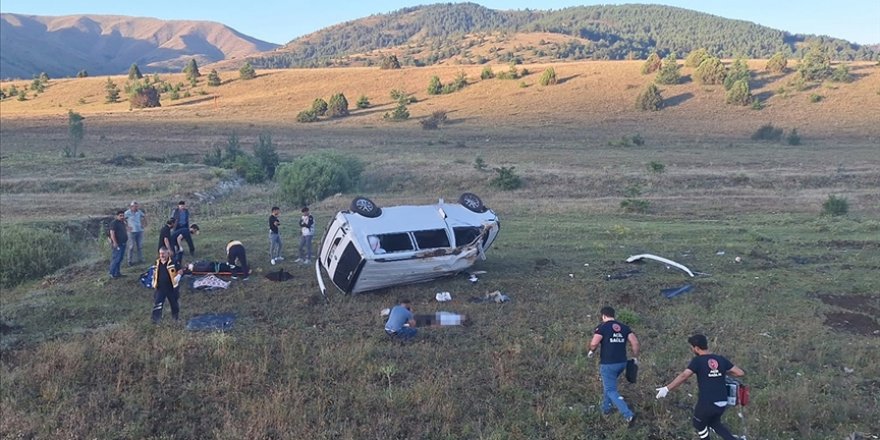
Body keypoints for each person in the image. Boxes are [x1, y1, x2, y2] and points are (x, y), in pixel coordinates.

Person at [655, 334, 746, 440]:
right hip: (722, 401)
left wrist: (667, 388)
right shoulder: (720, 359)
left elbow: (684, 375)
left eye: (692, 348)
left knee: (698, 423)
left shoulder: (697, 361)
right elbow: (740, 373)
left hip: (707, 402)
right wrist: (722, 372)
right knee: (714, 423)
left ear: (697, 348)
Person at [588, 306, 640, 427]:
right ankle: (605, 409)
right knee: (609, 385)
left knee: (611, 390)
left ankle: (628, 415)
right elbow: (635, 342)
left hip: (608, 364)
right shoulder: (624, 327)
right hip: (622, 363)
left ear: (603, 316)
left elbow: (594, 343)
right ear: (613, 315)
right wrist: (635, 357)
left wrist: (591, 351)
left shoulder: (602, 327)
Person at [151, 247, 181, 323]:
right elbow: (154, 273)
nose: (162, 255)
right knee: (158, 303)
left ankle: (175, 318)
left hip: (171, 288)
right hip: (160, 288)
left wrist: (178, 276)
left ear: (168, 253)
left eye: (163, 253)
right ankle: (155, 320)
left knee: (174, 303)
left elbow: (180, 270)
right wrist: (153, 281)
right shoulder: (156, 263)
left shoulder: (173, 262)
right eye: (160, 253)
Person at [124, 201, 147, 266]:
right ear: (131, 207)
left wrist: (144, 224)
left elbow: (144, 216)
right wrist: (127, 226)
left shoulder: (139, 212)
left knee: (139, 246)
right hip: (131, 232)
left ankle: (140, 259)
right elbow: (123, 220)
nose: (136, 208)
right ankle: (129, 261)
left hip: (139, 230)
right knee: (131, 246)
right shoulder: (127, 213)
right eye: (135, 206)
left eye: (137, 206)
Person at [108, 210, 128, 278]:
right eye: (120, 216)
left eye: (123, 215)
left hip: (123, 243)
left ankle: (117, 273)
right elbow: (112, 233)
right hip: (118, 244)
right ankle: (112, 273)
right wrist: (115, 243)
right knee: (116, 258)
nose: (122, 217)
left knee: (120, 258)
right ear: (117, 216)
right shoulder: (114, 223)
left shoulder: (122, 222)